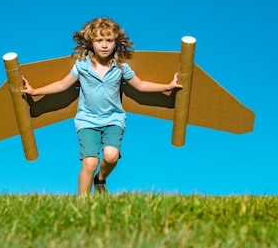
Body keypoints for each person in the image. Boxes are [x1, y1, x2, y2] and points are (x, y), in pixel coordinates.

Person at [21, 17, 182, 194]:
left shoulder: (120, 66)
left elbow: (141, 85)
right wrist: (35, 91)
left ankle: (100, 179)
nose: (104, 45)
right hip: (87, 120)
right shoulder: (82, 65)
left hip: (113, 119)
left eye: (109, 40)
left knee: (111, 156)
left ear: (115, 42)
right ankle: (82, 204)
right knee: (90, 162)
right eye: (99, 40)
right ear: (91, 42)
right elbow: (62, 84)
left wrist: (169, 86)